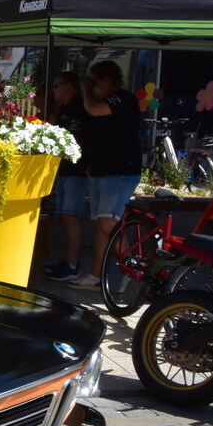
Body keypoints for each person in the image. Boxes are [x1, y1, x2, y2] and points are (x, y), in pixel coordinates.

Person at [69, 60, 142, 290]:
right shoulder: (103, 100)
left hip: (118, 172)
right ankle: (95, 276)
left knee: (108, 223)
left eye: (97, 81)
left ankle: (135, 268)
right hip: (101, 171)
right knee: (100, 225)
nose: (94, 86)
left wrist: (86, 90)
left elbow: (94, 109)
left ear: (108, 80)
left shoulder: (121, 98)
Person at [43, 71, 90, 282]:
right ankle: (67, 262)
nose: (53, 90)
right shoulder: (63, 109)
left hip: (75, 171)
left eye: (56, 85)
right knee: (63, 214)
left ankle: (73, 265)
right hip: (62, 170)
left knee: (69, 215)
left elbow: (79, 140)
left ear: (70, 86)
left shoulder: (81, 108)